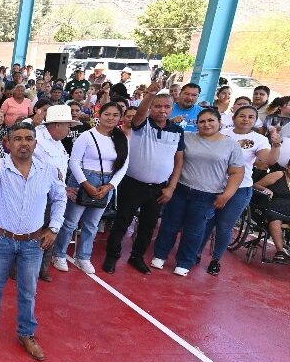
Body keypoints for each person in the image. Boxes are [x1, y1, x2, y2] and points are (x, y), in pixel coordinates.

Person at [0, 123, 66, 361]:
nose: (23, 143)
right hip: (1, 239)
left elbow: (60, 198)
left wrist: (54, 228)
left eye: (28, 138)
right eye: (17, 139)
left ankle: (27, 333)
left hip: (33, 243)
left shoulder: (48, 169)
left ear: (36, 143)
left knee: (28, 292)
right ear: (9, 142)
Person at [151, 108, 244, 276]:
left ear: (219, 123)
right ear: (197, 123)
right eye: (202, 121)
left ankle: (185, 262)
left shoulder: (231, 145)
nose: (206, 124)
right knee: (169, 224)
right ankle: (159, 255)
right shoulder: (186, 137)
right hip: (180, 189)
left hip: (207, 195)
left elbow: (237, 172)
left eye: (210, 121)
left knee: (195, 231)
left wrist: (227, 195)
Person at [104, 84, 185, 275]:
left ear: (172, 109)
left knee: (148, 225)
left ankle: (137, 256)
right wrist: (150, 95)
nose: (162, 110)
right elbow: (140, 114)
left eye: (166, 107)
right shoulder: (142, 124)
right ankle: (112, 256)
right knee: (122, 222)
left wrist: (171, 188)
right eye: (158, 106)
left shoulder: (177, 131)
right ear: (151, 108)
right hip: (133, 184)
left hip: (159, 188)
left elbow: (179, 161)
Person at [201, 106, 280, 275]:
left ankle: (216, 260)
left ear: (255, 120)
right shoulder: (223, 132)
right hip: (213, 185)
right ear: (234, 117)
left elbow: (269, 160)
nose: (246, 119)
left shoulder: (258, 139)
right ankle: (195, 253)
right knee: (205, 222)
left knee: (224, 226)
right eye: (242, 116)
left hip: (240, 188)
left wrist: (276, 146)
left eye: (251, 117)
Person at [52, 103, 129, 275]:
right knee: (70, 222)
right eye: (107, 114)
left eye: (115, 115)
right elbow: (74, 162)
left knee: (92, 224)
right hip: (82, 180)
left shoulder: (122, 139)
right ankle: (59, 254)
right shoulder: (86, 136)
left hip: (106, 183)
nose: (111, 118)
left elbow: (124, 166)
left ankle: (83, 257)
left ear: (120, 117)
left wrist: (110, 186)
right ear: (98, 115)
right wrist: (85, 184)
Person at [32, 105, 74, 282]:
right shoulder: (36, 138)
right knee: (33, 233)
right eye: (67, 125)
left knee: (51, 230)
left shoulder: (59, 144)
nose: (69, 129)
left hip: (55, 194)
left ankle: (43, 268)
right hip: (37, 194)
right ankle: (22, 268)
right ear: (57, 125)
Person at [254, 153, 290, 262]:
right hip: (274, 208)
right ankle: (280, 252)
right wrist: (266, 190)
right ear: (288, 166)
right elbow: (256, 185)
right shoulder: (279, 175)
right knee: (275, 220)